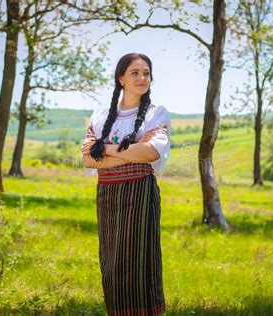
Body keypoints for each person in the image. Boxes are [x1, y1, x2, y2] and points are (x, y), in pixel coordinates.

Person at [81, 53, 171, 315]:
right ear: (121, 78)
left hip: (139, 194)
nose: (142, 78)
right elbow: (88, 159)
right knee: (112, 263)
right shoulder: (99, 115)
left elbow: (150, 153)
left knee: (138, 262)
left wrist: (106, 148)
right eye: (135, 72)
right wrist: (129, 153)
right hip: (108, 195)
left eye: (146, 73)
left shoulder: (156, 113)